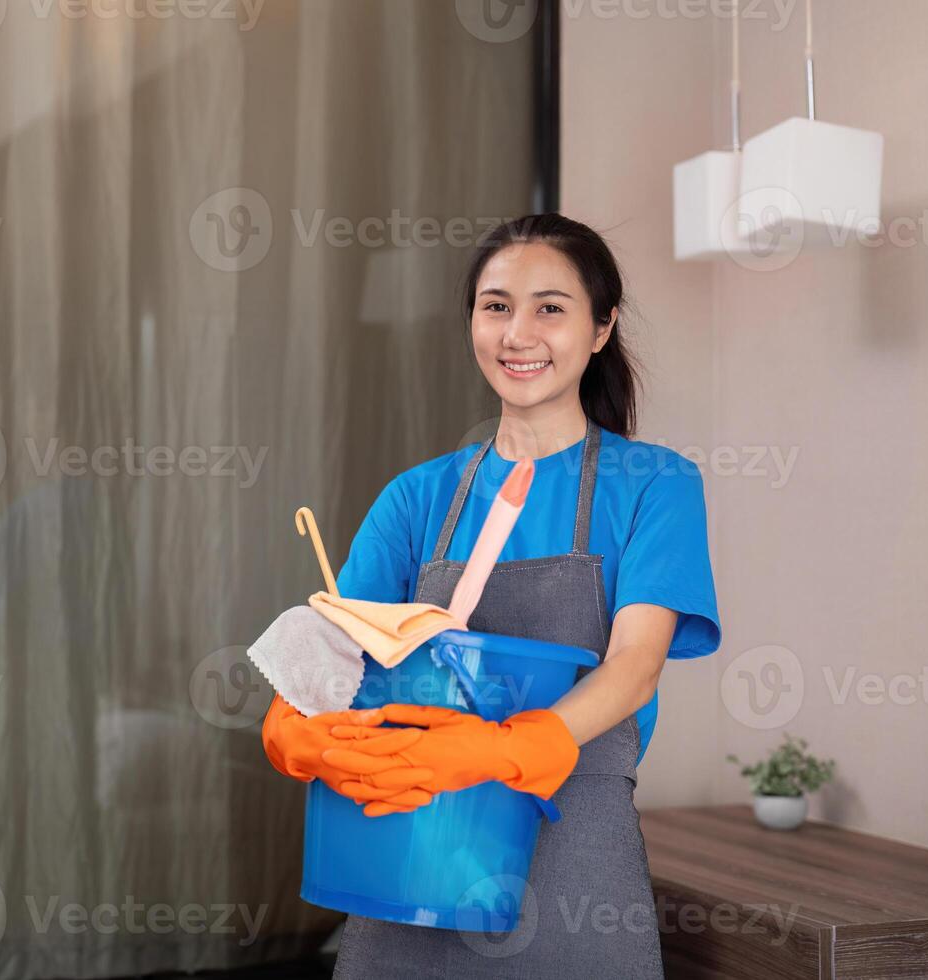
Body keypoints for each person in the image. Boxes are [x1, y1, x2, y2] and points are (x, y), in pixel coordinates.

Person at [261, 214, 722, 978]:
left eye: (551, 307)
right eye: (496, 305)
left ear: (601, 327)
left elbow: (637, 664)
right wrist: (293, 723)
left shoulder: (655, 484)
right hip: (409, 864)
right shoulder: (417, 498)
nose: (518, 332)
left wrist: (511, 748)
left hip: (574, 863)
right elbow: (331, 654)